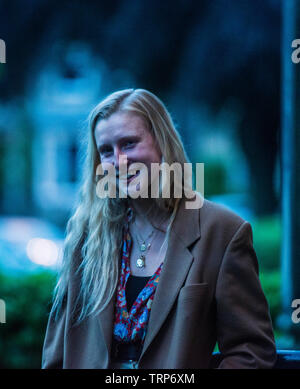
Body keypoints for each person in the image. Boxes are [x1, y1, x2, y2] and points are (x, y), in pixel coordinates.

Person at [41, 88, 277, 369]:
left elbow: (251, 350)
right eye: (106, 151)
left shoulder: (222, 231)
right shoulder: (85, 233)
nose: (118, 161)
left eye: (129, 143)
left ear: (163, 144)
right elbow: (56, 355)